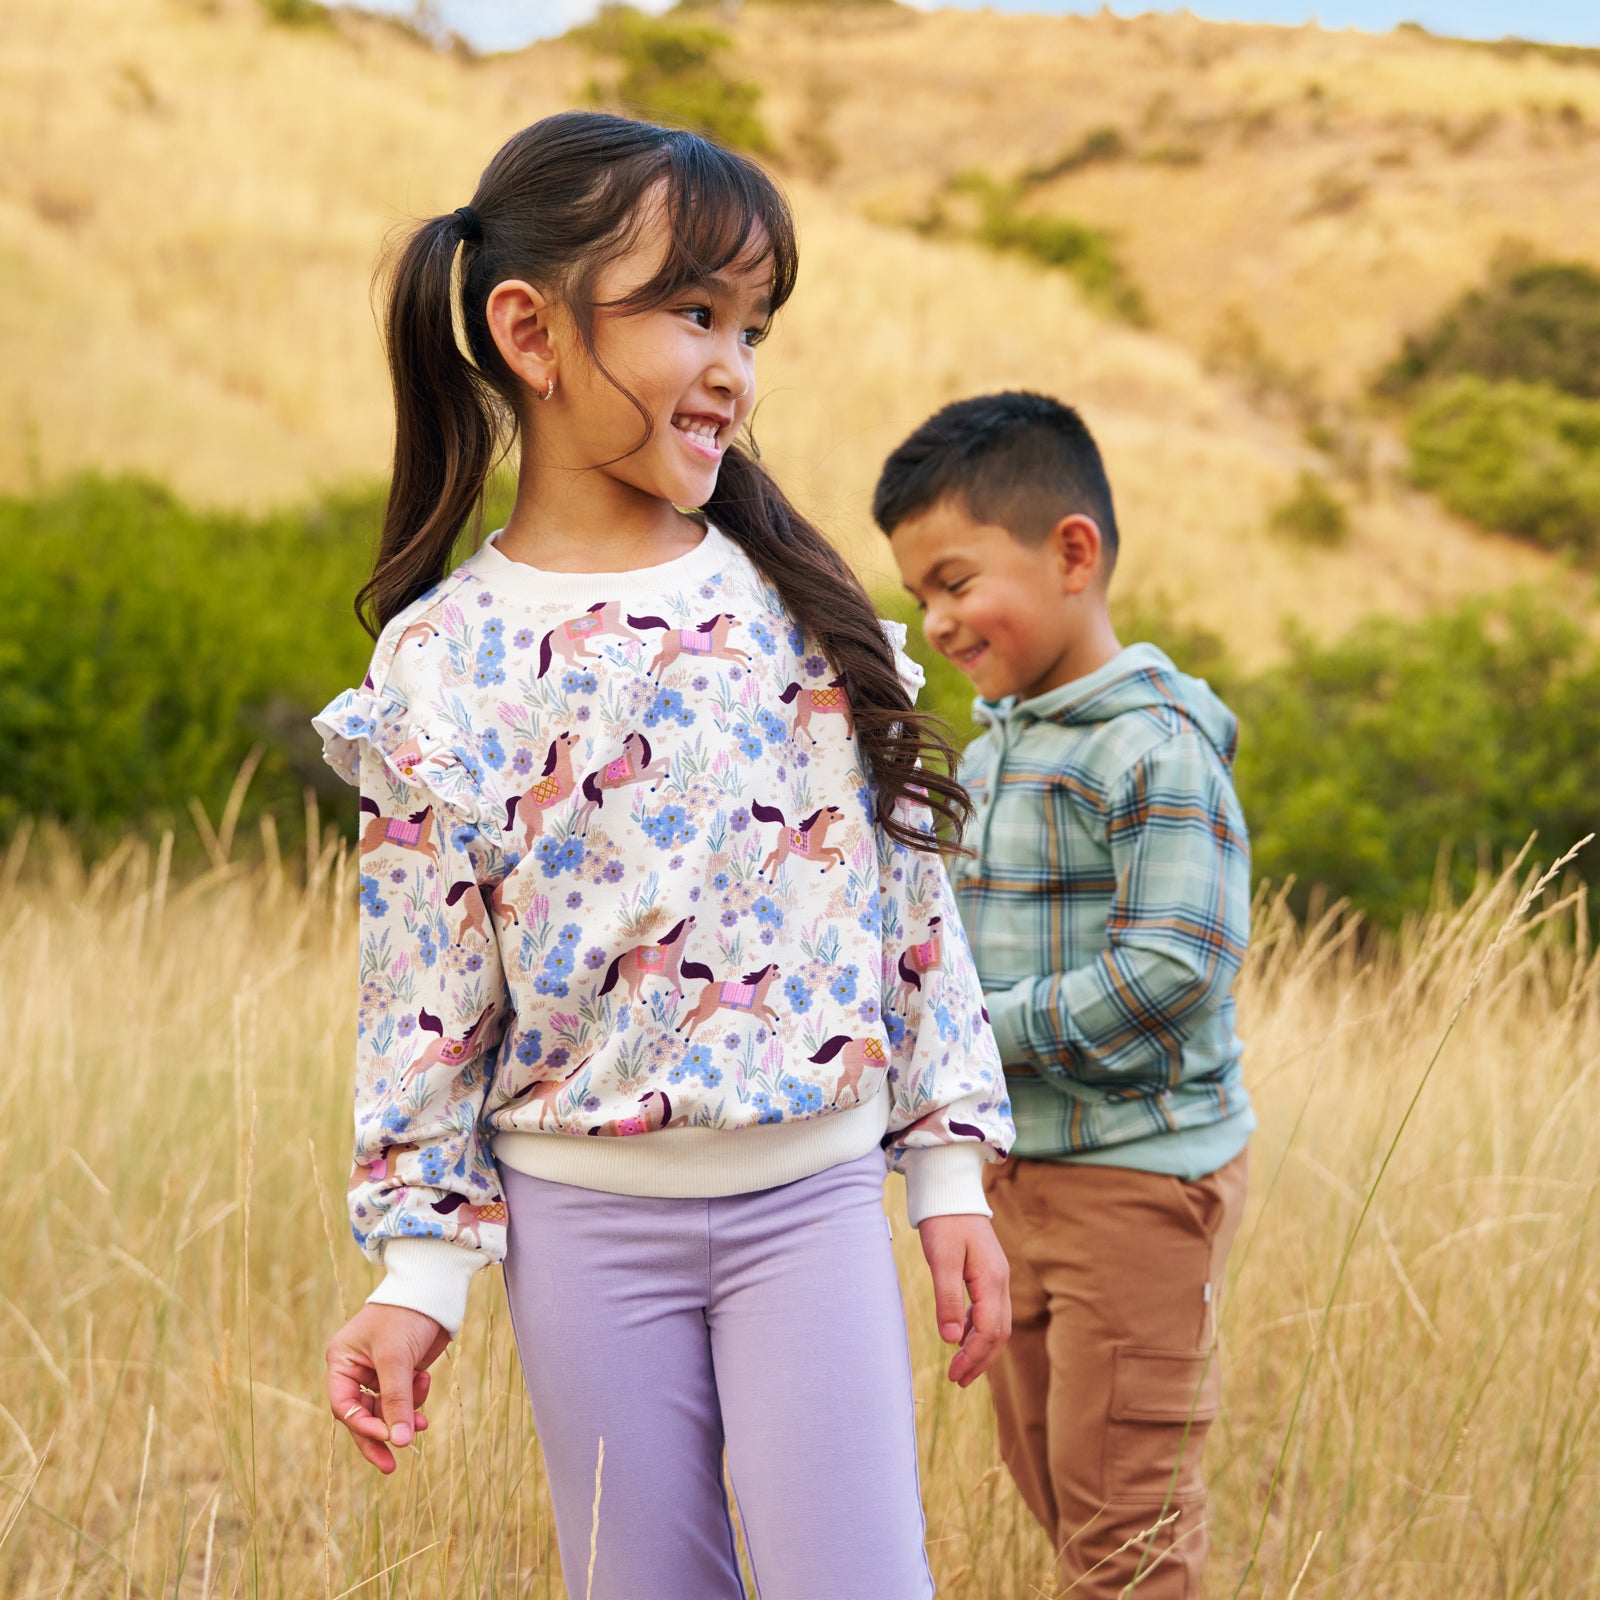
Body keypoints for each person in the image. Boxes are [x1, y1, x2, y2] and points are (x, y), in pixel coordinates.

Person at [314, 111, 1014, 1600]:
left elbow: (907, 905)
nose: (732, 366)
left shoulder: (798, 613)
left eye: (752, 326)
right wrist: (419, 1275)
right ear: (531, 331)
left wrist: (947, 1170)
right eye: (692, 312)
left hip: (810, 1207)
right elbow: (425, 1004)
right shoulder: (440, 665)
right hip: (582, 1230)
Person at [875, 391, 1252, 1598]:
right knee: (1052, 1479)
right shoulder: (994, 751)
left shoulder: (1153, 747)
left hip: (1137, 1182)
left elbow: (1175, 968)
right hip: (1016, 1179)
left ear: (1072, 552)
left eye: (954, 580)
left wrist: (984, 1032)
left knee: (1125, 1524)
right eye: (918, 595)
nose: (935, 619)